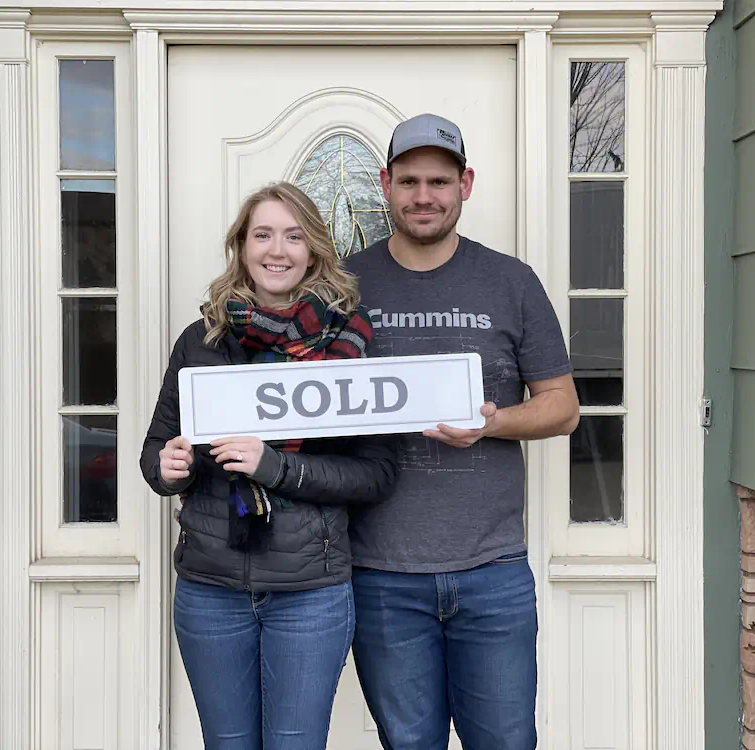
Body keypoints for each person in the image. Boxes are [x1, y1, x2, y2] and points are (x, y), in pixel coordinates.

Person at [344, 114, 580, 750]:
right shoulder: (342, 286)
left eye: (439, 182)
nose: (424, 196)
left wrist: (495, 422)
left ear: (465, 185)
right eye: (409, 181)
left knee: (505, 742)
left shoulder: (511, 282)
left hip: (491, 571)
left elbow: (563, 407)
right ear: (386, 185)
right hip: (380, 572)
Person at [141, 182, 398, 750]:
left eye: (293, 236)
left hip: (310, 593)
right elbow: (156, 448)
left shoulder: (348, 343)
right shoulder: (202, 340)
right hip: (210, 589)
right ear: (241, 245)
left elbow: (376, 475)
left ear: (314, 250)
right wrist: (169, 467)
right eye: (262, 235)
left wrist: (275, 467)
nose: (276, 250)